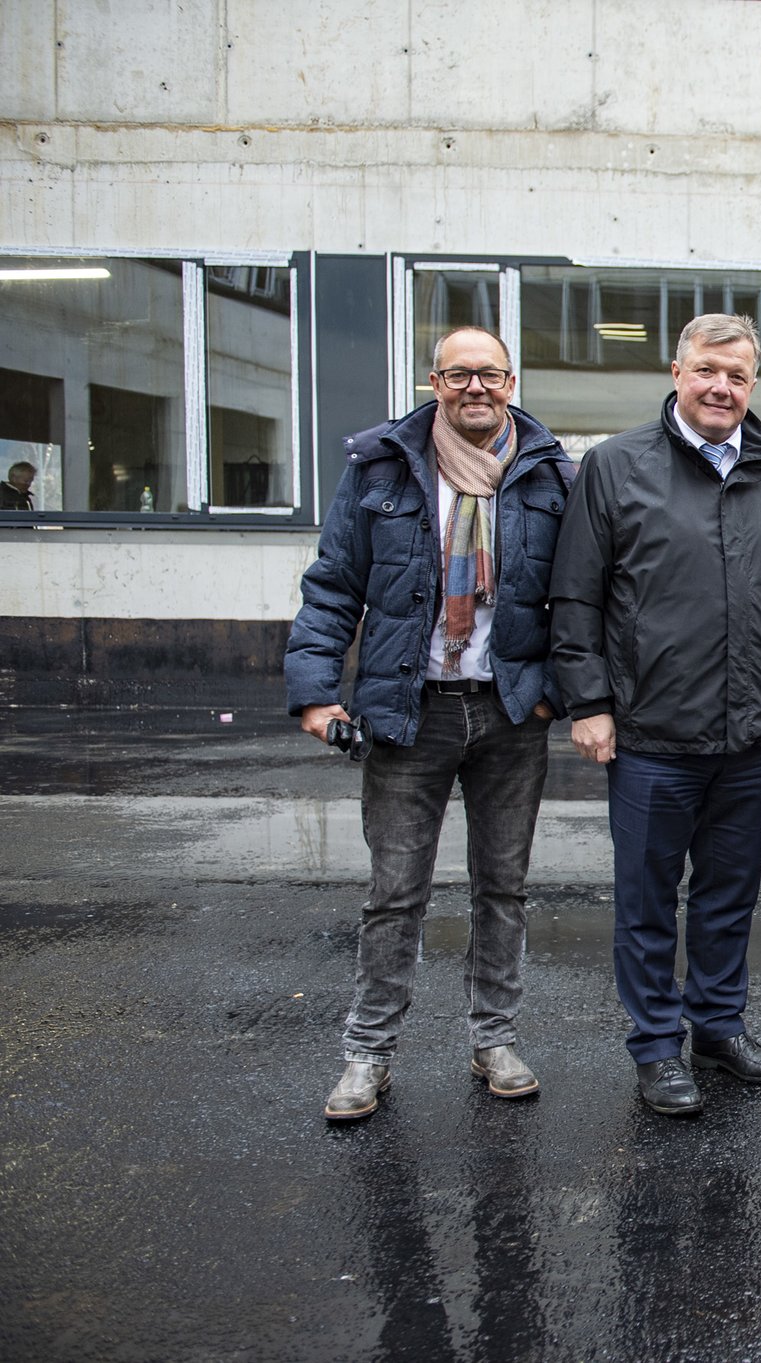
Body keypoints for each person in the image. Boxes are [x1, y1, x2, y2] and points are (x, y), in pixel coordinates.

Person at [285, 326, 572, 1122]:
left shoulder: (550, 474)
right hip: (408, 711)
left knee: (502, 888)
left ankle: (495, 1037)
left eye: (489, 374)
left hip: (510, 710)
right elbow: (334, 583)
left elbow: (581, 594)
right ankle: (367, 1053)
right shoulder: (381, 467)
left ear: (511, 382)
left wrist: (558, 691)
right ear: (433, 382)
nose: (474, 388)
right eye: (457, 374)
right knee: (394, 892)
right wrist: (315, 689)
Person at [550, 313, 761, 1118]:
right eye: (707, 370)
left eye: (736, 376)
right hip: (650, 733)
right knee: (647, 897)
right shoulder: (614, 466)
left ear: (753, 385)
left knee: (729, 893)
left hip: (749, 736)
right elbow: (576, 593)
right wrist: (589, 701)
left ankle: (718, 1025)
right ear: (676, 371)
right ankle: (658, 1046)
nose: (720, 387)